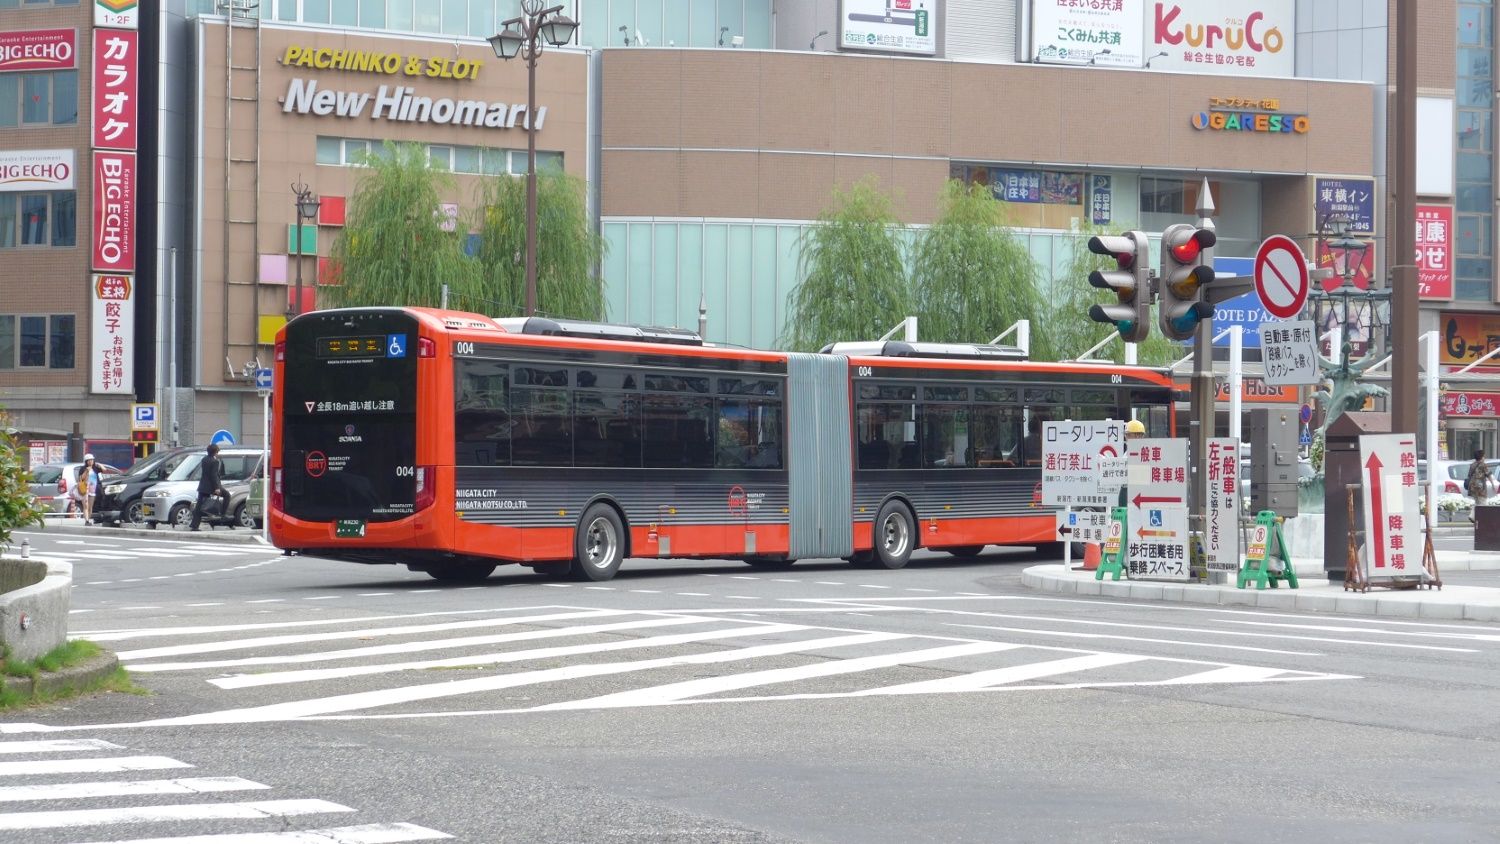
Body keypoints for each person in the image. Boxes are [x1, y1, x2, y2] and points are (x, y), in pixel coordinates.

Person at [190, 443, 230, 531]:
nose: (217, 453)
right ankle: (222, 515)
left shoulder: (204, 459)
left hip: (203, 486)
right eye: (217, 451)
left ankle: (194, 525)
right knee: (227, 495)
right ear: (215, 452)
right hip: (211, 487)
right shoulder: (215, 461)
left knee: (199, 506)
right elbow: (213, 475)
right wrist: (217, 488)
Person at [1467, 448, 1493, 519]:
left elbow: (1469, 475)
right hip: (1480, 487)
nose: (1484, 458)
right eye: (1484, 456)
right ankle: (1484, 520)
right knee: (1483, 503)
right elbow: (1488, 475)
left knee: (1478, 502)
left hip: (1472, 486)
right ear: (1481, 457)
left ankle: (1472, 515)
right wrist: (1493, 484)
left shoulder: (1472, 465)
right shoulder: (1483, 465)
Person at [74, 454, 100, 521]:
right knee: (85, 506)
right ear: (86, 461)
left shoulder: (95, 468)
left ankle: (89, 518)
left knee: (90, 507)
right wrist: (86, 471)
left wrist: (100, 465)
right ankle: (87, 520)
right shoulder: (83, 469)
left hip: (92, 490)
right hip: (84, 490)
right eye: (89, 460)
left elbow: (104, 470)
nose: (90, 461)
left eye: (92, 460)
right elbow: (81, 478)